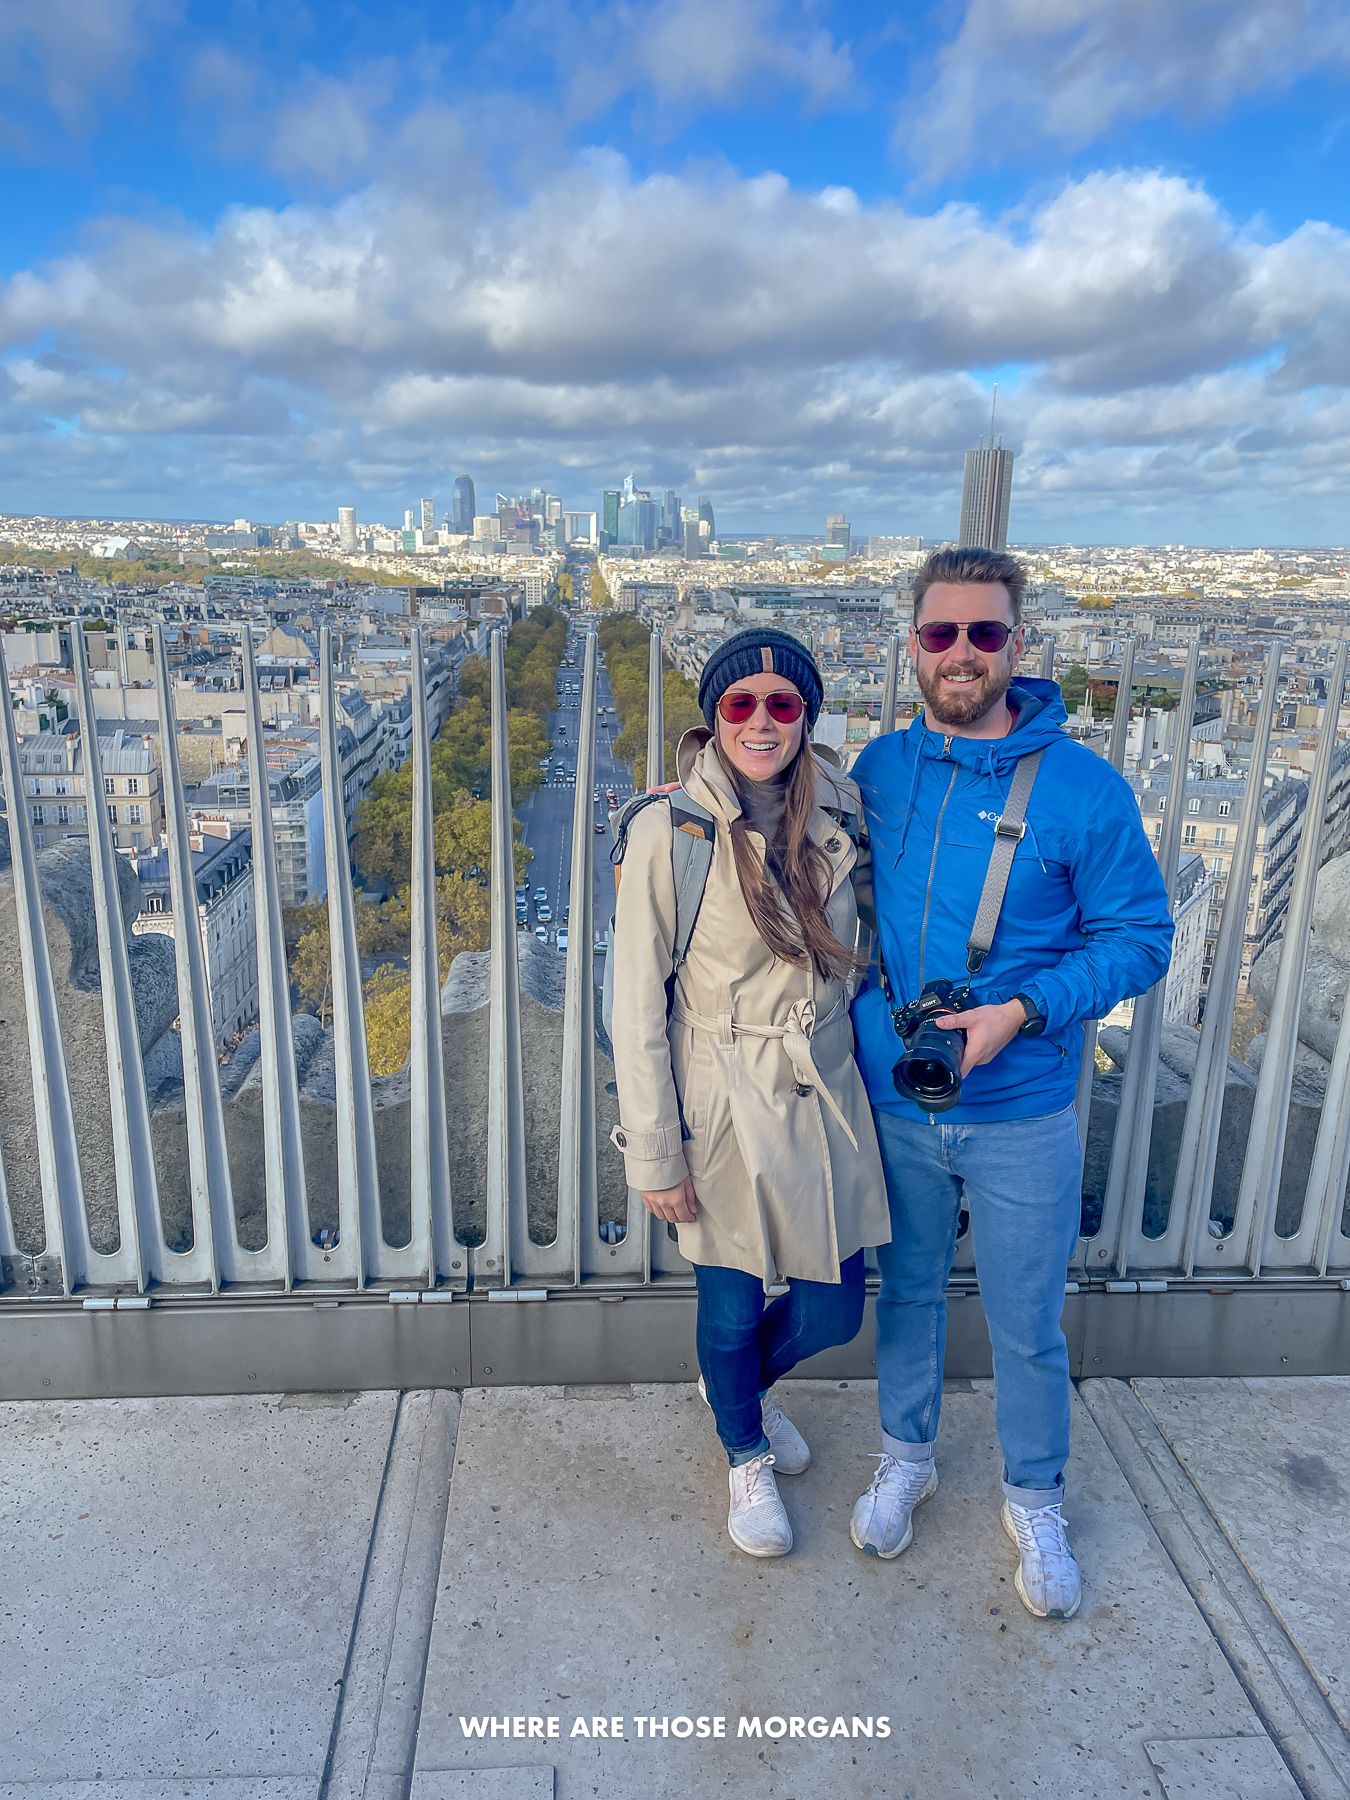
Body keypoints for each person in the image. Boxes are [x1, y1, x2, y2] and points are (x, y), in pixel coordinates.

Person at [848, 547, 1173, 1619]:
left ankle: (1035, 1496)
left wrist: (1021, 1011)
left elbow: (1142, 940)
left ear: (1016, 647)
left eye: (984, 634)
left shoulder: (1085, 790)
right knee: (905, 1295)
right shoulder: (879, 772)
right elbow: (774, 814)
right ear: (913, 646)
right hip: (900, 1090)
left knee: (1027, 1318)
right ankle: (908, 1454)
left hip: (1024, 1100)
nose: (961, 654)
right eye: (941, 634)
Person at [609, 626, 890, 1559]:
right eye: (740, 704)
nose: (762, 722)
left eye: (782, 704)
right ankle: (743, 1449)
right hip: (721, 1093)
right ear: (713, 719)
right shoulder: (669, 832)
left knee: (834, 1310)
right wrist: (656, 1151)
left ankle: (735, 1385)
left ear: (806, 716)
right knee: (730, 1308)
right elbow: (635, 1009)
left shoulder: (841, 807)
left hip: (822, 1087)